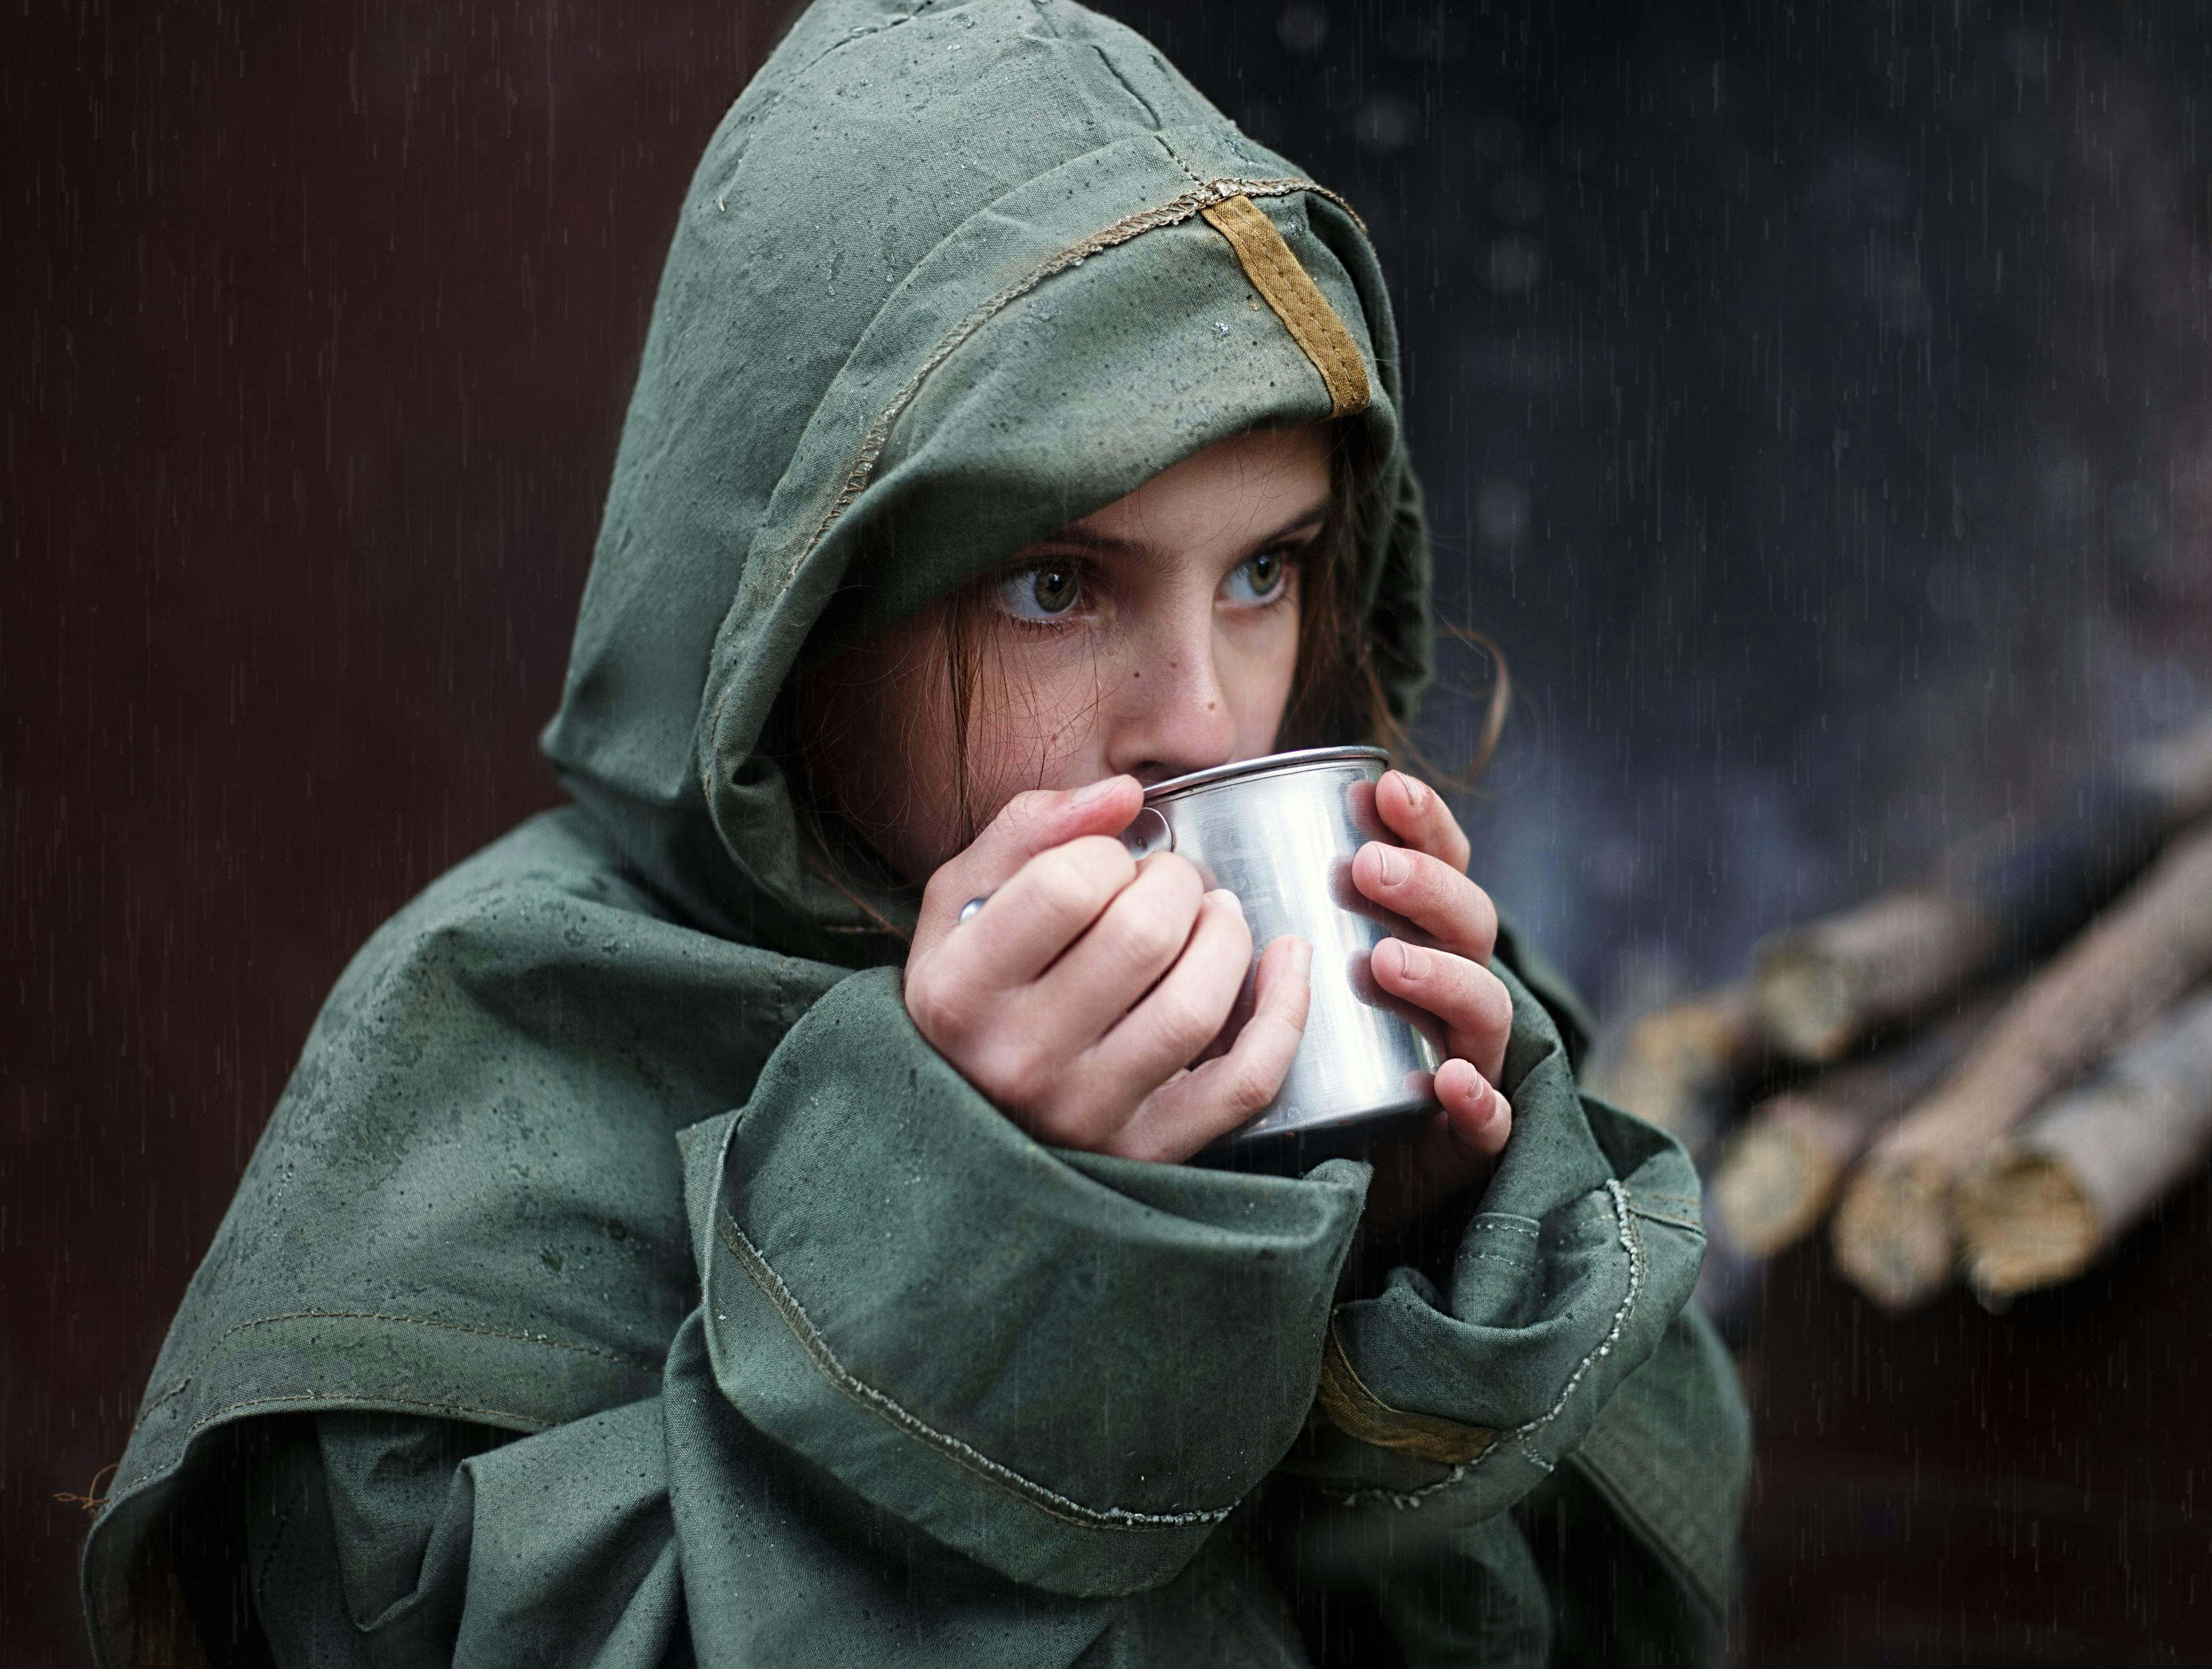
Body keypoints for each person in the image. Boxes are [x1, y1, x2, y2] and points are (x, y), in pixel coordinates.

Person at [81, 3, 1748, 1663]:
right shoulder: (510, 1037)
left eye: (1266, 570)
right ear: (803, 615)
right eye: (1056, 586)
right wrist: (974, 1224)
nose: (1209, 719)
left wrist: (1418, 1266)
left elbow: (1600, 1609)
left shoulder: (1351, 993)